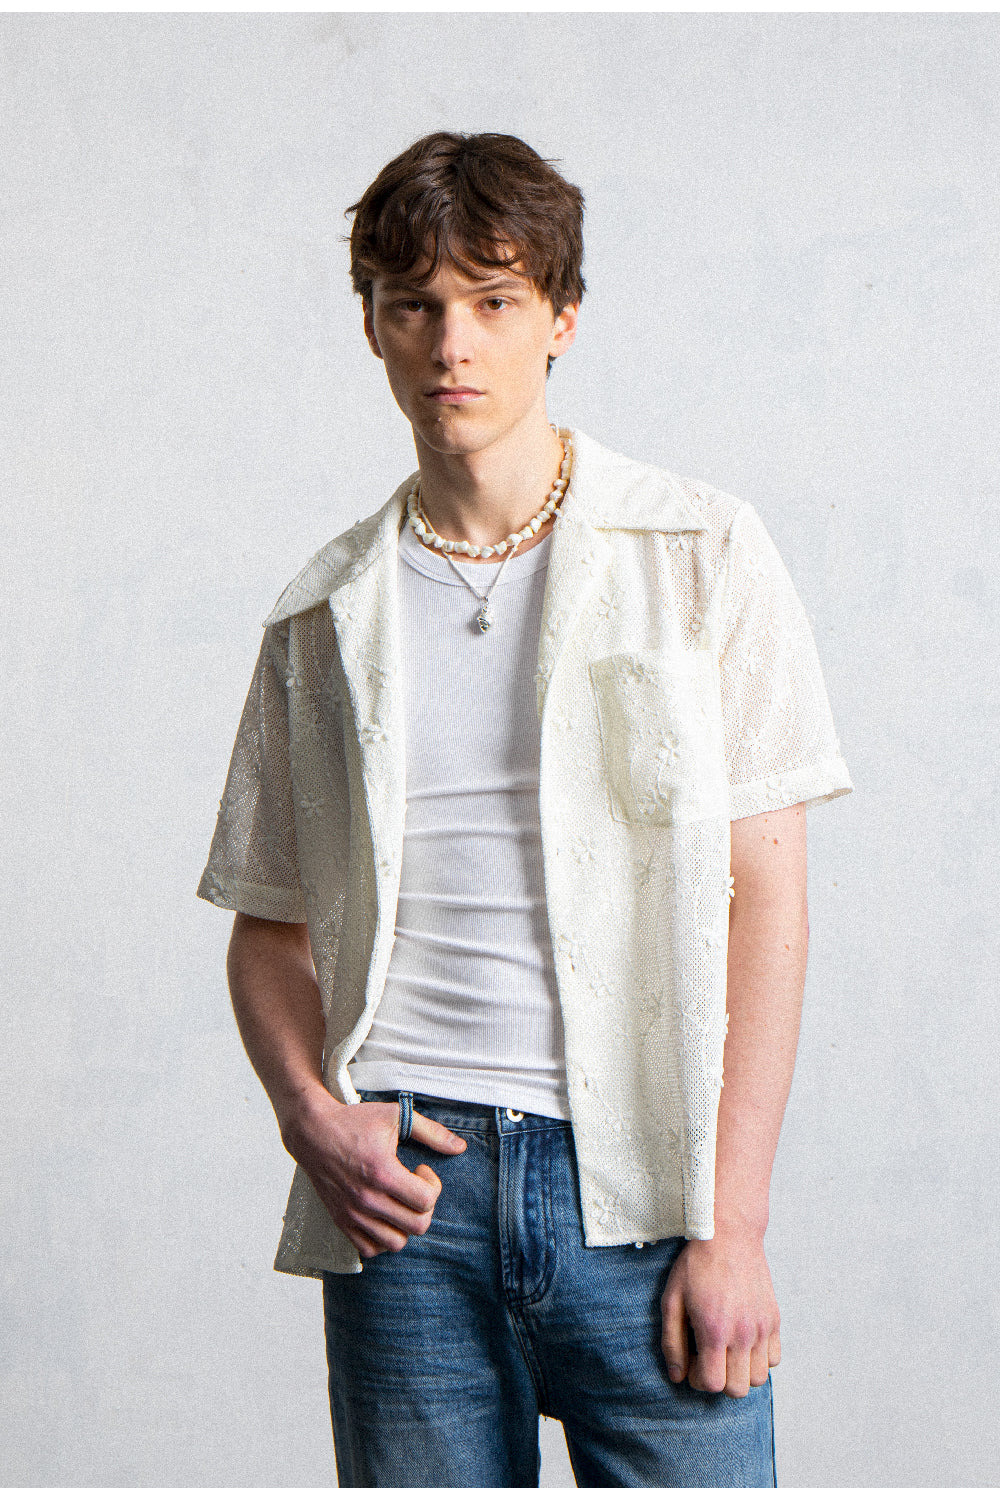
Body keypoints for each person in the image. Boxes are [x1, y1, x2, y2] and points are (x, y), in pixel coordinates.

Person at [198, 130, 852, 1488]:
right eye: (416, 304)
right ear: (373, 327)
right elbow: (268, 925)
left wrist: (734, 1224)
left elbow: (769, 902)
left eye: (493, 300)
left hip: (645, 1196)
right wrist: (311, 1118)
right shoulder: (323, 613)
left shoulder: (700, 551)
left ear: (562, 316)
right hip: (408, 1205)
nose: (454, 343)